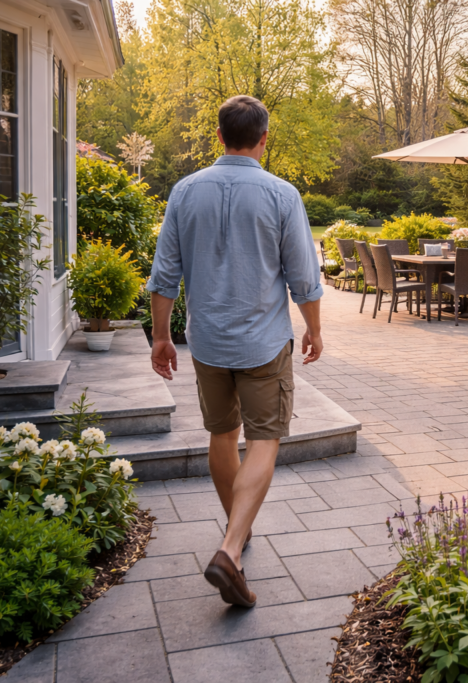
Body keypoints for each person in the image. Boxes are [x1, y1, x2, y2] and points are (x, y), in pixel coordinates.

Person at [146, 95, 323, 607]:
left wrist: (161, 336)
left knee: (222, 435)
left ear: (219, 136)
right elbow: (304, 279)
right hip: (264, 343)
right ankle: (230, 545)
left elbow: (164, 275)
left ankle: (236, 540)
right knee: (265, 439)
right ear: (264, 139)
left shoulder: (184, 191)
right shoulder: (282, 194)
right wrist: (314, 329)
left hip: (208, 342)